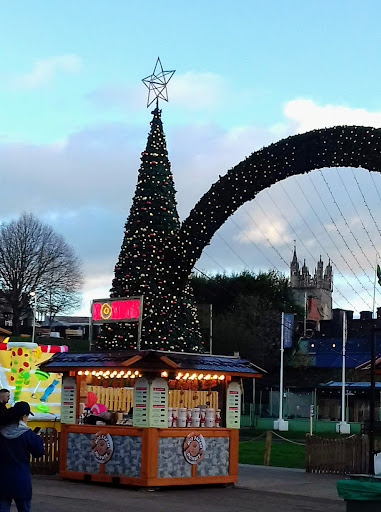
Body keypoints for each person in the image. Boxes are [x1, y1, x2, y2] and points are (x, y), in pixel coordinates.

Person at [0, 401, 44, 512]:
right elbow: (38, 452)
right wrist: (37, 437)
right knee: (24, 508)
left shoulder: (1, 431)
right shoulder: (28, 434)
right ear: (24, 416)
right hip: (21, 478)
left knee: (3, 506)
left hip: (2, 477)